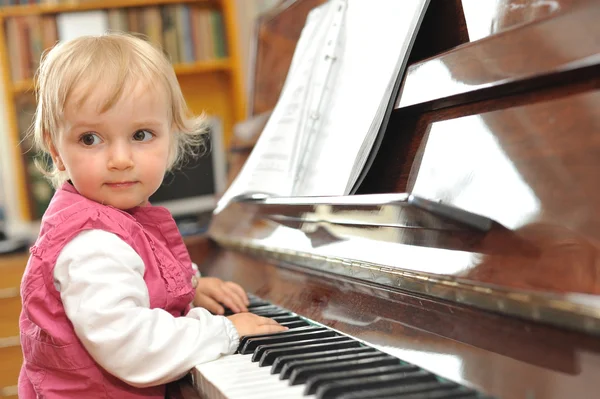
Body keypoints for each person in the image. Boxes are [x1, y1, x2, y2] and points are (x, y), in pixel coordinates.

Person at [18, 32, 287, 399]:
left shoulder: (122, 218)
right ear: (57, 151)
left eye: (141, 134)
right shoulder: (91, 244)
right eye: (90, 139)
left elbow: (139, 280)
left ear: (171, 138)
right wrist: (224, 331)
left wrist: (191, 292)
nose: (120, 159)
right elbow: (133, 347)